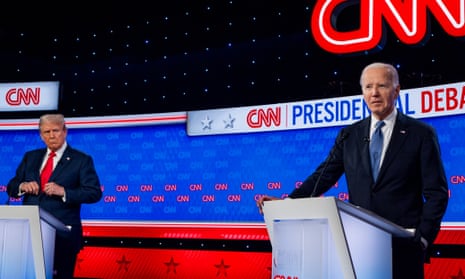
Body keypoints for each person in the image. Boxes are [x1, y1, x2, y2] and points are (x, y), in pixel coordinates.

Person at [256, 62, 449, 279]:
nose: (374, 93)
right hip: (359, 247)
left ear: (396, 91)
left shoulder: (420, 134)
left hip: (404, 247)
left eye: (382, 86)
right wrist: (288, 203)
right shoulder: (349, 135)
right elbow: (323, 176)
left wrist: (423, 238)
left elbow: (437, 193)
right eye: (368, 87)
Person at [7, 113, 102, 279]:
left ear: (65, 131)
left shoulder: (82, 160)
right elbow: (11, 186)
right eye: (46, 132)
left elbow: (94, 193)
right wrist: (22, 186)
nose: (51, 136)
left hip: (63, 235)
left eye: (56, 130)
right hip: (29, 234)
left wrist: (64, 192)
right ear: (41, 135)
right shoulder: (31, 157)